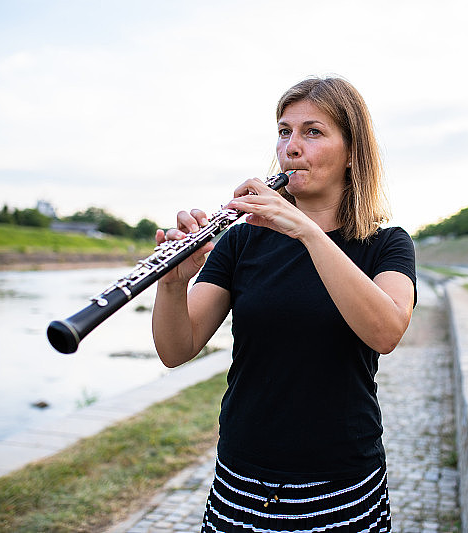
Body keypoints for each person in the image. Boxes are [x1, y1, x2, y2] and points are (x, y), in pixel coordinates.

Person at [152, 76, 416, 532]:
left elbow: (386, 332)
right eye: (284, 131)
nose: (291, 147)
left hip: (342, 483)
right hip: (241, 478)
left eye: (312, 132)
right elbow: (176, 350)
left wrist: (305, 229)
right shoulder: (240, 241)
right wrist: (172, 285)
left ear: (352, 153)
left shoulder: (387, 244)